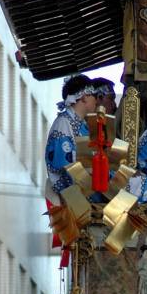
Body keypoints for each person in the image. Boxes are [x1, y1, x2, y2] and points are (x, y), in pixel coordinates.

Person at [45, 74, 97, 203]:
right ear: (84, 97)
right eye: (94, 95)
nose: (96, 100)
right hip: (72, 196)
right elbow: (63, 164)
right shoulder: (63, 123)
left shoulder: (81, 125)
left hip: (84, 191)